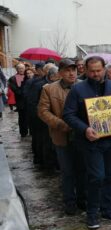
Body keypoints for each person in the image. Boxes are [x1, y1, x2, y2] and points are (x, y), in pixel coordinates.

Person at [63, 56, 111, 229]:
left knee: (109, 176)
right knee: (96, 177)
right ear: (85, 70)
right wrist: (85, 129)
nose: (96, 74)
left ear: (104, 69)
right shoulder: (78, 89)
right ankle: (92, 213)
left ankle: (107, 209)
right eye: (92, 71)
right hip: (91, 142)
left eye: (99, 70)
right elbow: (68, 114)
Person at [38, 59, 85, 215]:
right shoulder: (49, 89)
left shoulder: (84, 86)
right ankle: (69, 202)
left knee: (83, 169)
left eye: (74, 70)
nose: (72, 73)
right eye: (67, 70)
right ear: (60, 73)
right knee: (67, 171)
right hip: (62, 136)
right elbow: (43, 112)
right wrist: (59, 124)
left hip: (83, 135)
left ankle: (82, 199)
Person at [8, 64, 28, 136]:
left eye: (22, 68)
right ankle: (23, 132)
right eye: (20, 68)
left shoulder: (27, 76)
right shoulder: (12, 78)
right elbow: (16, 90)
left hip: (29, 101)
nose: (21, 70)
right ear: (17, 69)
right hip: (20, 101)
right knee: (22, 117)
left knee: (29, 117)